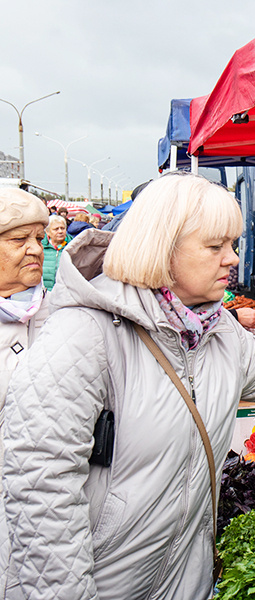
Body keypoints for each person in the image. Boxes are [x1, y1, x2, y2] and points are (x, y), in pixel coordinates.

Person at [2, 172, 255, 600]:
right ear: (163, 247)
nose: (232, 259)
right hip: (104, 585)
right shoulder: (84, 334)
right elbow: (41, 489)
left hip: (187, 581)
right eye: (214, 247)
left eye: (232, 244)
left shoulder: (218, 331)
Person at [0, 189, 49, 599]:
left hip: (46, 508)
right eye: (19, 239)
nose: (35, 249)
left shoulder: (59, 312)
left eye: (39, 238)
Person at [41, 214, 71, 290]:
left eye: (62, 228)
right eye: (56, 229)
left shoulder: (72, 246)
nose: (60, 231)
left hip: (65, 292)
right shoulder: (41, 247)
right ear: (47, 232)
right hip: (44, 291)